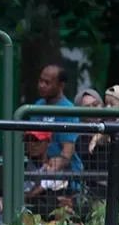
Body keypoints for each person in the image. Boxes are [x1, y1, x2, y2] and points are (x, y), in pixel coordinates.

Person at [33, 64, 83, 197]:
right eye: (40, 80)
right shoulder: (36, 106)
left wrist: (56, 164)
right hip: (38, 169)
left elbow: (67, 153)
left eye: (47, 82)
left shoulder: (67, 110)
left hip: (64, 178)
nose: (42, 85)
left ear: (61, 85)